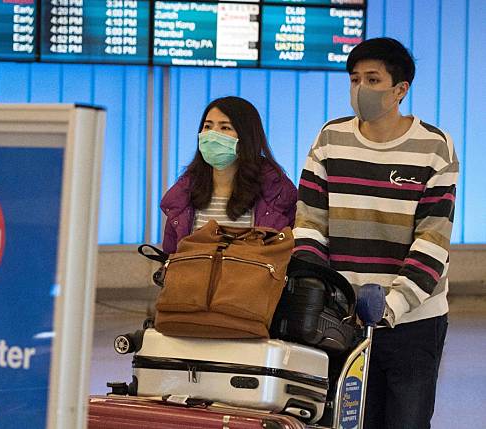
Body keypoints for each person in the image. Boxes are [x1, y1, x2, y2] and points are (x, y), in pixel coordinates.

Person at [292, 37, 458, 429]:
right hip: (340, 320)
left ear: (400, 90)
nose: (360, 90)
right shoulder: (330, 139)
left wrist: (390, 306)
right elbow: (310, 222)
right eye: (354, 79)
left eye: (372, 79)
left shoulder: (434, 147)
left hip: (413, 321)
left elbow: (433, 239)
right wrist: (324, 294)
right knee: (344, 421)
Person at [160, 96, 297, 254]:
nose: (212, 135)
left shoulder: (276, 193)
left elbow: (286, 254)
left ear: (246, 137)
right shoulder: (183, 192)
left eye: (225, 128)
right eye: (207, 126)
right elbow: (170, 255)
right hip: (193, 277)